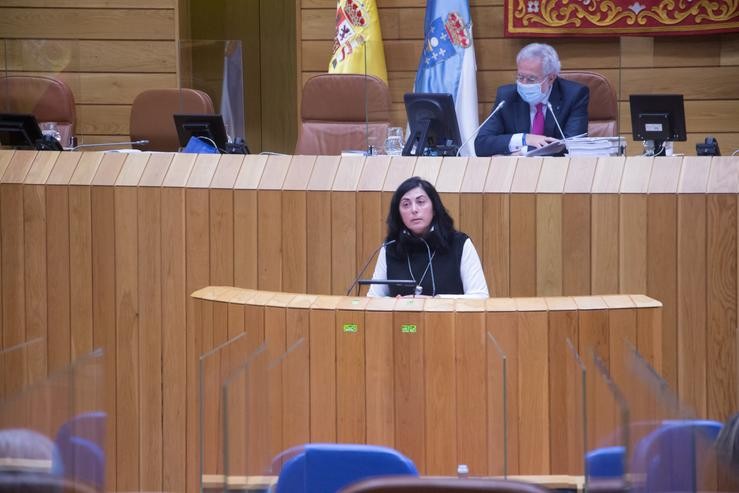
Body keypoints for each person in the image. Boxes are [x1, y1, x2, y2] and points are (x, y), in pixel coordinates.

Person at [367, 176, 489, 298]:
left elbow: (480, 297)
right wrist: (395, 303)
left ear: (434, 208)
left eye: (420, 202)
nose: (414, 210)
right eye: (406, 204)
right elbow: (373, 298)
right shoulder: (390, 247)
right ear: (398, 213)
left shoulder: (459, 244)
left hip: (449, 317)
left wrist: (435, 301)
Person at [474, 43, 589, 157]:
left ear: (551, 78)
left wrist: (523, 152)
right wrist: (525, 139)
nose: (523, 84)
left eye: (531, 79)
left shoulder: (574, 95)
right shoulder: (507, 96)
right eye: (520, 77)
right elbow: (481, 144)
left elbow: (572, 146)